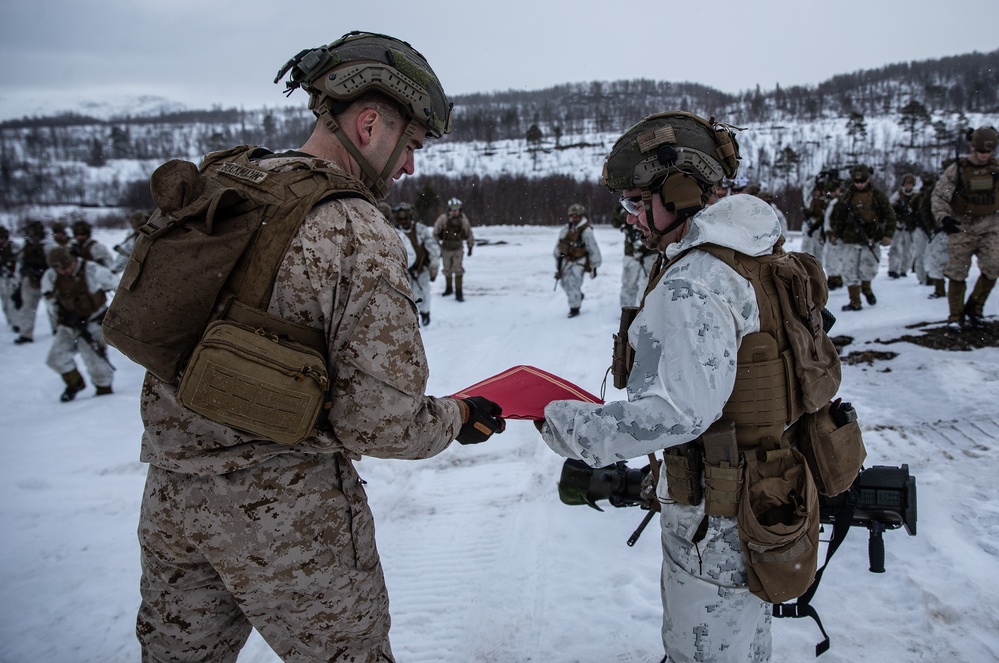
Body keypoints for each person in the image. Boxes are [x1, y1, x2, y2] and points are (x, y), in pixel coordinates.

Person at [134, 31, 505, 663]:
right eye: (411, 144)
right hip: (287, 514)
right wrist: (459, 418)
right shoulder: (358, 230)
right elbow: (383, 422)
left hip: (171, 499)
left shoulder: (229, 186)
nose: (411, 166)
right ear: (368, 124)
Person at [539, 111, 791, 662]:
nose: (629, 217)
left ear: (679, 193)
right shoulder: (757, 255)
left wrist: (567, 425)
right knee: (743, 646)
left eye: (635, 202)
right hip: (763, 497)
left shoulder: (696, 282)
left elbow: (674, 414)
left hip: (717, 521)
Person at [931, 126, 999, 328]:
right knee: (957, 271)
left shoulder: (996, 169)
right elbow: (940, 195)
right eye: (981, 151)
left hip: (990, 224)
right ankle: (955, 316)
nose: (984, 156)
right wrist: (943, 218)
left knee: (994, 265)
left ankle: (975, 309)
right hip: (962, 225)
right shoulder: (958, 170)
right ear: (972, 147)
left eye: (988, 152)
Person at [41, 246, 117, 401]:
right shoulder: (51, 276)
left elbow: (117, 287)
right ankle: (75, 384)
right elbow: (49, 298)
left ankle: (105, 395)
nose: (64, 272)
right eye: (59, 270)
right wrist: (60, 316)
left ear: (73, 261)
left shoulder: (92, 270)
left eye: (67, 267)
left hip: (93, 323)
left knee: (96, 363)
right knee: (56, 358)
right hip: (68, 325)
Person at [829, 164, 897, 311]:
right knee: (848, 270)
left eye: (862, 181)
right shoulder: (847, 197)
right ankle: (855, 301)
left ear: (868, 180)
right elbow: (836, 218)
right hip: (850, 239)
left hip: (871, 239)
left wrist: (887, 235)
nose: (859, 184)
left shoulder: (878, 196)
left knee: (868, 269)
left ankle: (866, 289)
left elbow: (890, 216)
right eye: (856, 181)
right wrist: (836, 234)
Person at [393, 201, 440, 326]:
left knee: (424, 291)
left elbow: (432, 248)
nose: (403, 221)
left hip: (422, 268)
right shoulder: (394, 232)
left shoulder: (421, 230)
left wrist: (434, 265)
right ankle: (413, 317)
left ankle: (425, 313)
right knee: (409, 295)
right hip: (405, 271)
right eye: (400, 219)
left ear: (410, 217)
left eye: (405, 218)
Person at [554, 202, 601, 317]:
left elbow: (593, 248)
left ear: (580, 216)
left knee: (574, 284)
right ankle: (578, 296)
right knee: (564, 283)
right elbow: (559, 246)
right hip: (567, 260)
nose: (574, 218)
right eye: (573, 216)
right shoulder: (566, 229)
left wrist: (594, 266)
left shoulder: (586, 231)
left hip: (580, 261)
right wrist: (558, 262)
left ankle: (574, 308)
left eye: (577, 216)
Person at [13, 220, 54, 344]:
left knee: (53, 307)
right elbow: (19, 264)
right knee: (27, 308)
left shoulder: (50, 246)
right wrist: (19, 281)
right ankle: (26, 333)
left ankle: (58, 329)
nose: (34, 237)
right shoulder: (25, 246)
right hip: (29, 281)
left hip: (47, 281)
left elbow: (56, 265)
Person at [611, 205, 658, 308]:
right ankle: (627, 310)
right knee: (629, 283)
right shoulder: (626, 208)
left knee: (650, 283)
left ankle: (648, 309)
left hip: (650, 252)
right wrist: (619, 210)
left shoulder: (650, 203)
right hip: (631, 253)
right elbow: (615, 223)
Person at [433, 197, 474, 301]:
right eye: (452, 209)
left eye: (456, 210)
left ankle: (459, 293)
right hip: (446, 248)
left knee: (458, 269)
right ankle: (449, 289)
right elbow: (435, 233)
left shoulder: (463, 220)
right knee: (447, 269)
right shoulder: (443, 219)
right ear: (449, 210)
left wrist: (470, 246)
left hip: (458, 248)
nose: (454, 212)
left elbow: (469, 233)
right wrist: (437, 246)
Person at [919, 173, 949, 299]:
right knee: (935, 260)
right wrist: (931, 227)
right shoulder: (928, 196)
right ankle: (940, 289)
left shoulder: (948, 191)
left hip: (953, 230)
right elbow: (924, 212)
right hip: (938, 231)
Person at [888, 173, 919, 279]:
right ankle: (893, 269)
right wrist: (897, 209)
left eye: (910, 184)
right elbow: (890, 207)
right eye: (906, 184)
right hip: (899, 224)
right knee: (895, 248)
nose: (908, 186)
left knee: (908, 249)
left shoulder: (916, 196)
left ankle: (904, 269)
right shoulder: (898, 195)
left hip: (910, 226)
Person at [111, 210, 150, 274]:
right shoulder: (132, 237)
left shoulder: (155, 235)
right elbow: (126, 254)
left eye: (139, 226)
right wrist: (116, 269)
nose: (136, 229)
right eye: (134, 227)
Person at [0, 226, 21, 333]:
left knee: (12, 300)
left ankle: (16, 323)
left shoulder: (14, 247)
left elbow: (19, 261)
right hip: (1, 278)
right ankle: (10, 320)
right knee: (4, 302)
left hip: (12, 277)